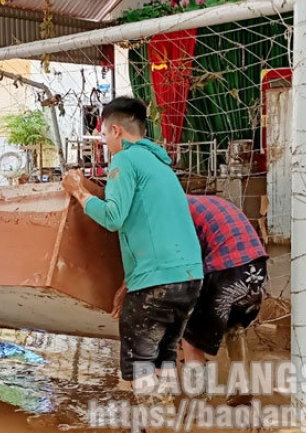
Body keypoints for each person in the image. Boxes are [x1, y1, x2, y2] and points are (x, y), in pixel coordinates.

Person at [61, 96, 203, 385]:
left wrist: (79, 192)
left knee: (140, 365)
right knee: (164, 357)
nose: (104, 141)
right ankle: (166, 423)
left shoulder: (124, 160)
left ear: (116, 130)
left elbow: (113, 217)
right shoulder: (160, 163)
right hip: (190, 280)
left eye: (103, 133)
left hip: (156, 283)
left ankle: (153, 428)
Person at [181, 194, 269, 406]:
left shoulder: (178, 212)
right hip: (257, 268)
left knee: (191, 337)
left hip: (227, 271)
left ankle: (198, 398)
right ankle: (243, 386)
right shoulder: (206, 202)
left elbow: (188, 260)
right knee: (234, 326)